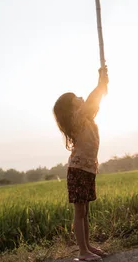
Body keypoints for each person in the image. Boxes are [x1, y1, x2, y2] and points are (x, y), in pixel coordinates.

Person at [53, 66, 109, 261]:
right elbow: (93, 100)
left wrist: (103, 85)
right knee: (79, 212)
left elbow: (95, 103)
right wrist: (100, 83)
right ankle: (82, 252)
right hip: (78, 170)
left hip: (87, 169)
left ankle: (88, 246)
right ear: (72, 108)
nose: (80, 96)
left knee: (85, 211)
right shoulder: (77, 119)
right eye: (76, 97)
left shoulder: (86, 118)